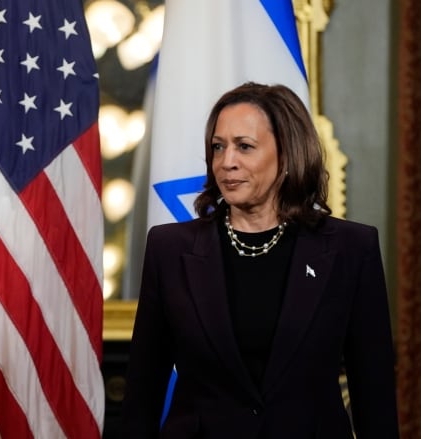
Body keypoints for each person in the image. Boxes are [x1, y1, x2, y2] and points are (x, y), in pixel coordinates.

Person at [122, 82, 398, 438]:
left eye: (244, 147)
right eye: (218, 147)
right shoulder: (170, 248)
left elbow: (374, 400)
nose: (227, 162)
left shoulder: (351, 248)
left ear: (287, 154)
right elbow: (142, 398)